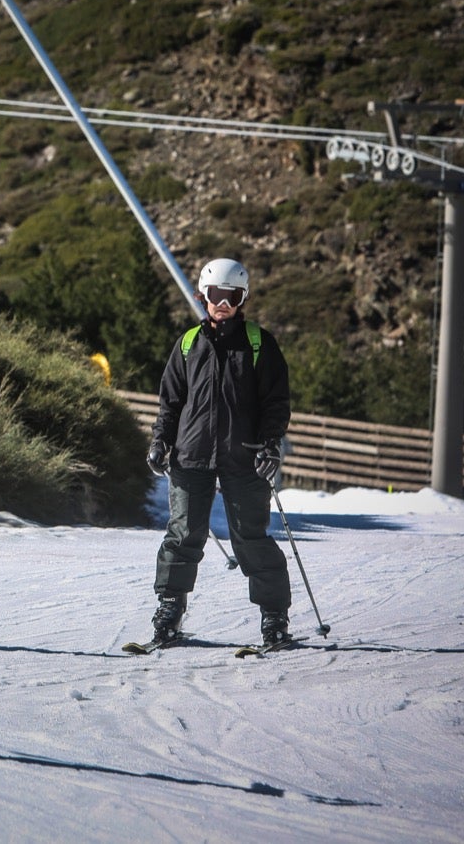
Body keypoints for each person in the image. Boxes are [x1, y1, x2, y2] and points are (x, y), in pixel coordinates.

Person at [145, 257, 292, 646]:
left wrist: (270, 445)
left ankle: (274, 617)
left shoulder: (260, 344)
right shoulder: (189, 344)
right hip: (191, 455)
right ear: (203, 296)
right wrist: (161, 440)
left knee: (250, 537)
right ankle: (170, 611)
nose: (222, 303)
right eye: (215, 295)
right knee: (183, 534)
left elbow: (276, 402)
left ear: (242, 298)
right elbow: (171, 402)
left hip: (245, 456)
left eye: (232, 296)